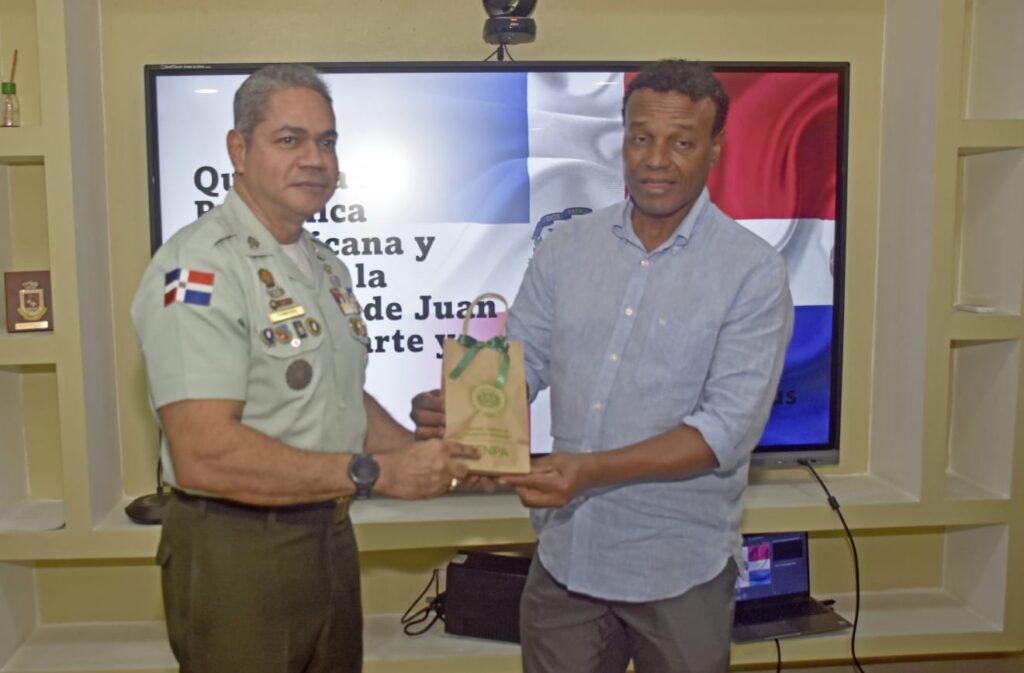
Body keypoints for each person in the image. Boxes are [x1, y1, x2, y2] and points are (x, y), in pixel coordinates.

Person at [412, 59, 793, 673]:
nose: (656, 160)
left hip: (679, 569)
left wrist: (589, 470)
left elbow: (724, 430)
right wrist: (460, 412)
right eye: (641, 137)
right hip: (567, 559)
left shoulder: (753, 272)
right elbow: (524, 360)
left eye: (681, 142)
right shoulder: (565, 246)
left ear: (715, 148)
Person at [131, 64, 474, 673]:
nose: (315, 159)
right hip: (239, 548)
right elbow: (203, 453)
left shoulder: (323, 265)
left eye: (327, 141)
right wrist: (376, 473)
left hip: (330, 534)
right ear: (239, 150)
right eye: (289, 139)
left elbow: (338, 398)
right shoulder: (199, 270)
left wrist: (431, 455)